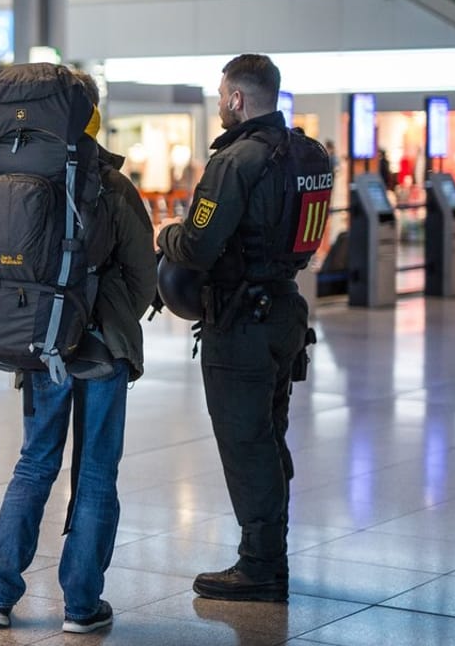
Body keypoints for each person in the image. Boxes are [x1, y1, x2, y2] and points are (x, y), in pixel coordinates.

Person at [0, 72, 157, 634]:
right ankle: (81, 605)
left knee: (34, 464)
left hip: (41, 336)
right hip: (103, 348)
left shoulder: (5, 171)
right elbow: (145, 276)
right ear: (91, 117)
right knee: (98, 471)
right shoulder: (108, 183)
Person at [156, 54, 311, 603]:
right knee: (268, 438)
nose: (220, 103)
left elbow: (197, 244)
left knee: (246, 445)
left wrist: (165, 236)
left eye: (222, 94)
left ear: (237, 99)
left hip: (240, 323)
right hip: (287, 313)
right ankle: (273, 555)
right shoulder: (309, 154)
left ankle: (259, 566)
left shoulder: (235, 161)